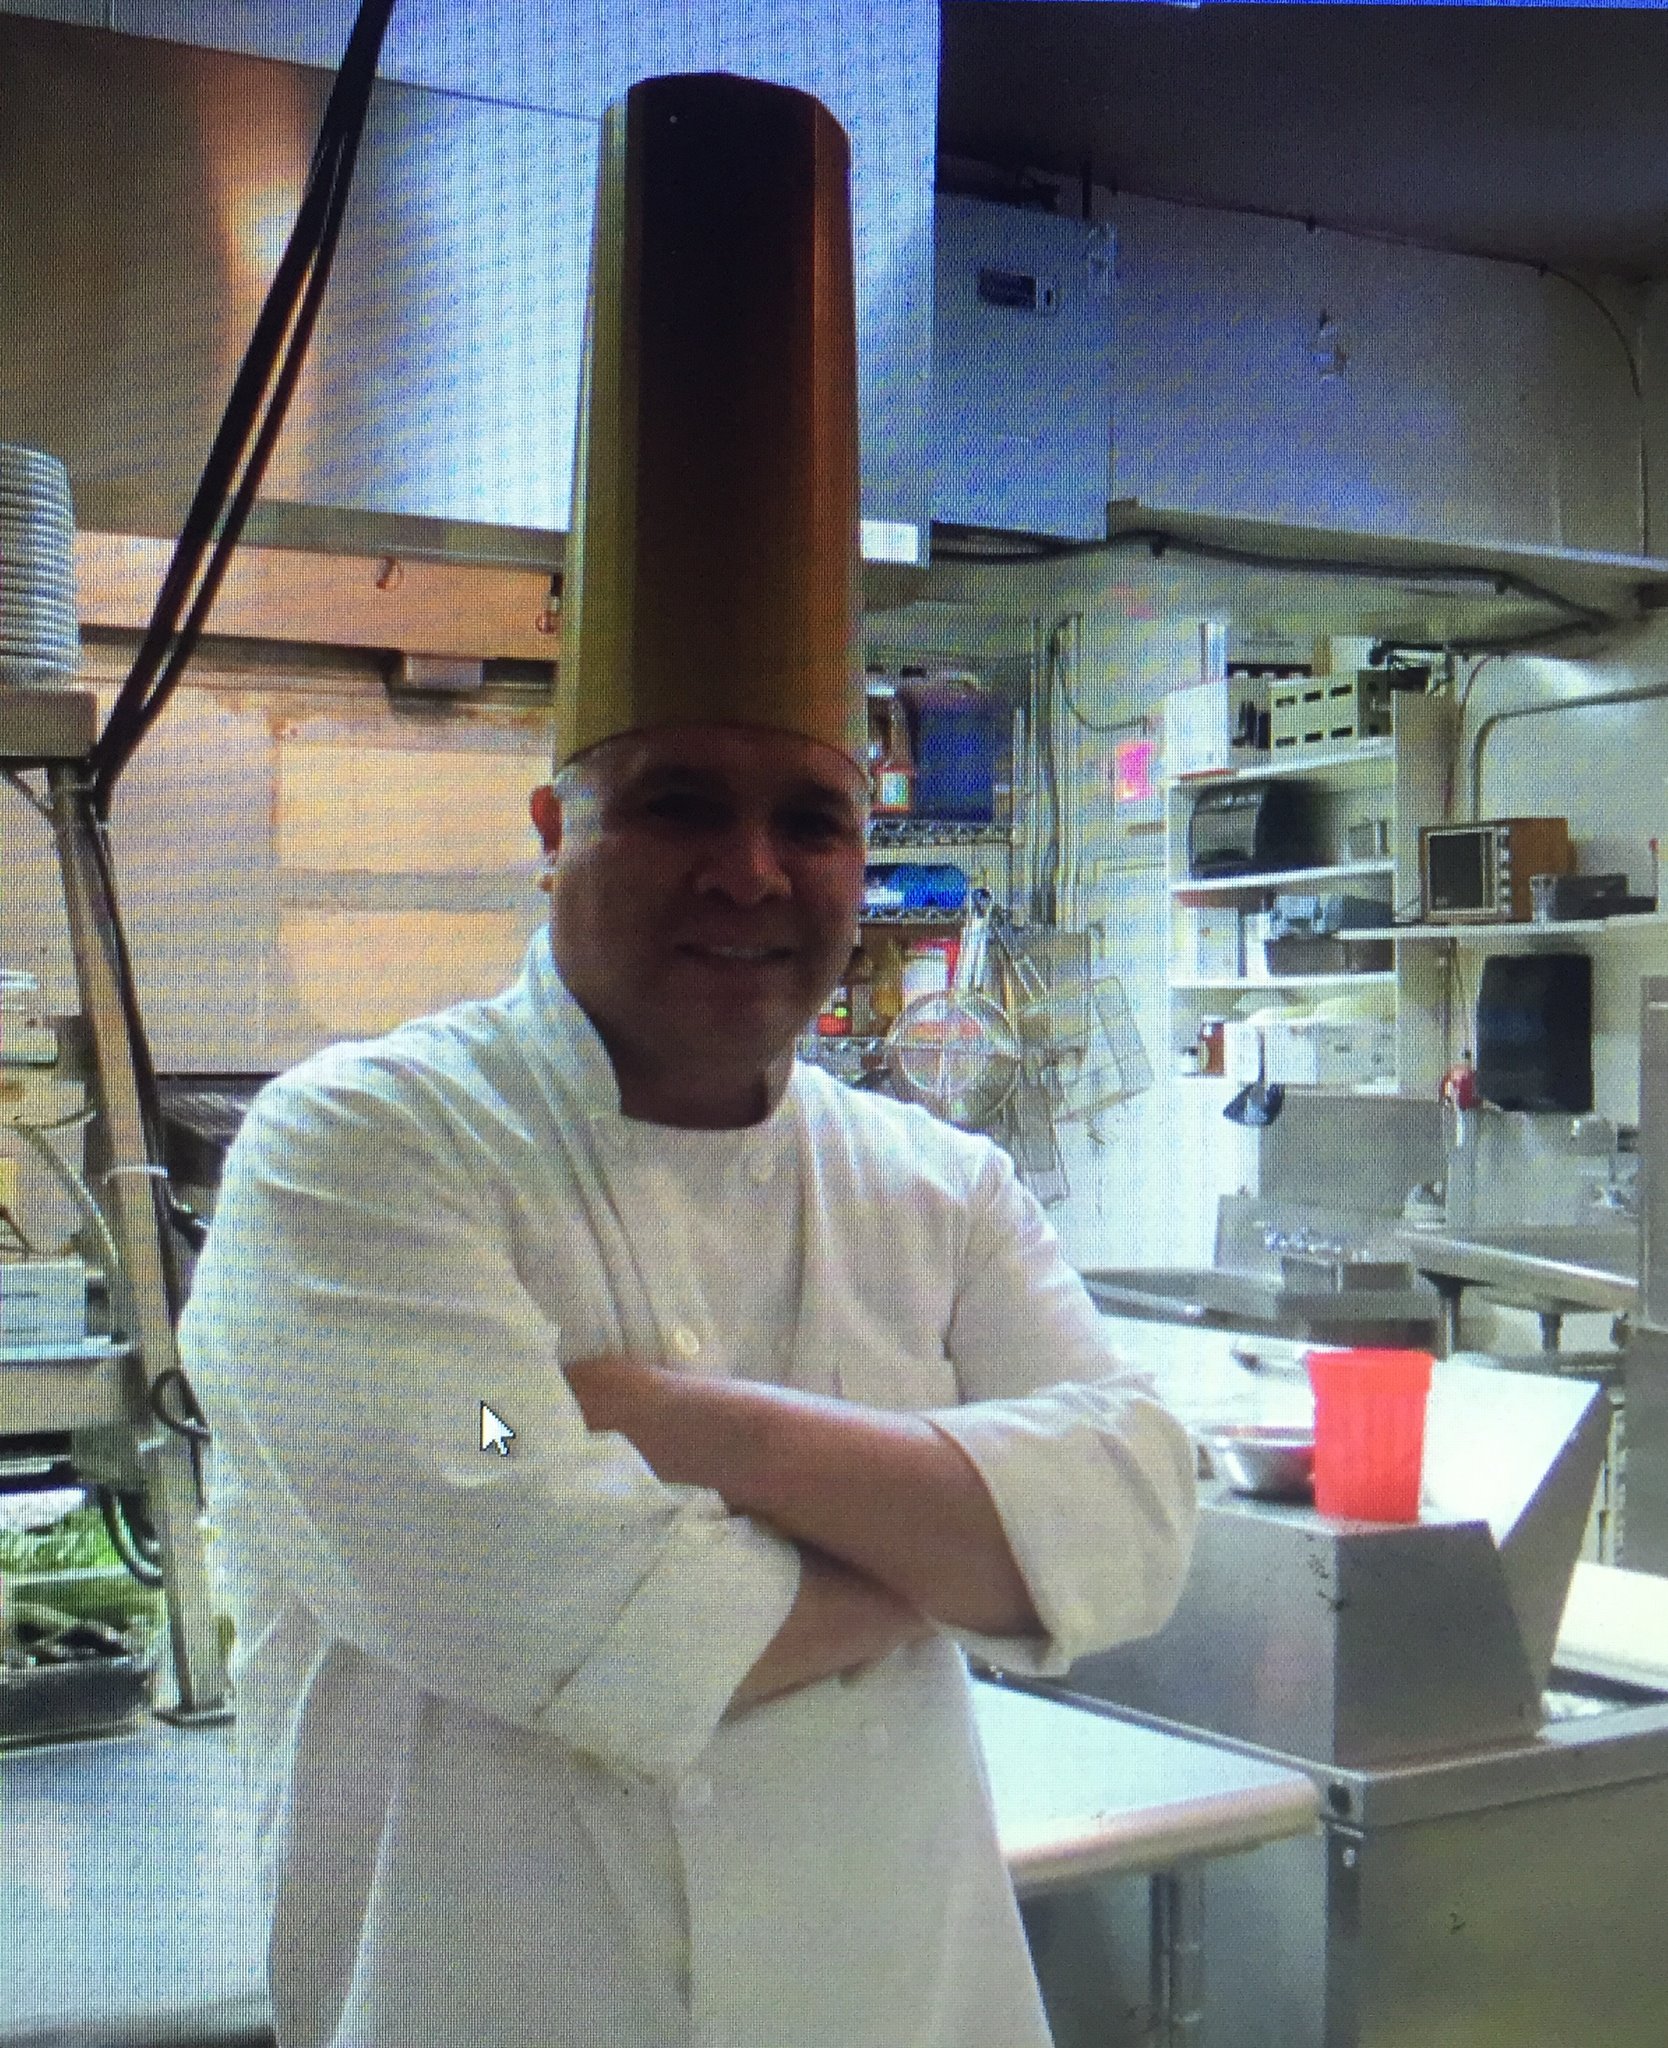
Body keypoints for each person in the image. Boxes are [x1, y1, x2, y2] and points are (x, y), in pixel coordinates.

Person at [179, 71, 1195, 2048]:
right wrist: (977, 1544)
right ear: (551, 831)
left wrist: (669, 1418)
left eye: (811, 819)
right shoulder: (358, 1154)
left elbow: (1142, 1512)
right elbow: (517, 1533)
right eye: (677, 804)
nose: (751, 871)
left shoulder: (936, 1189)